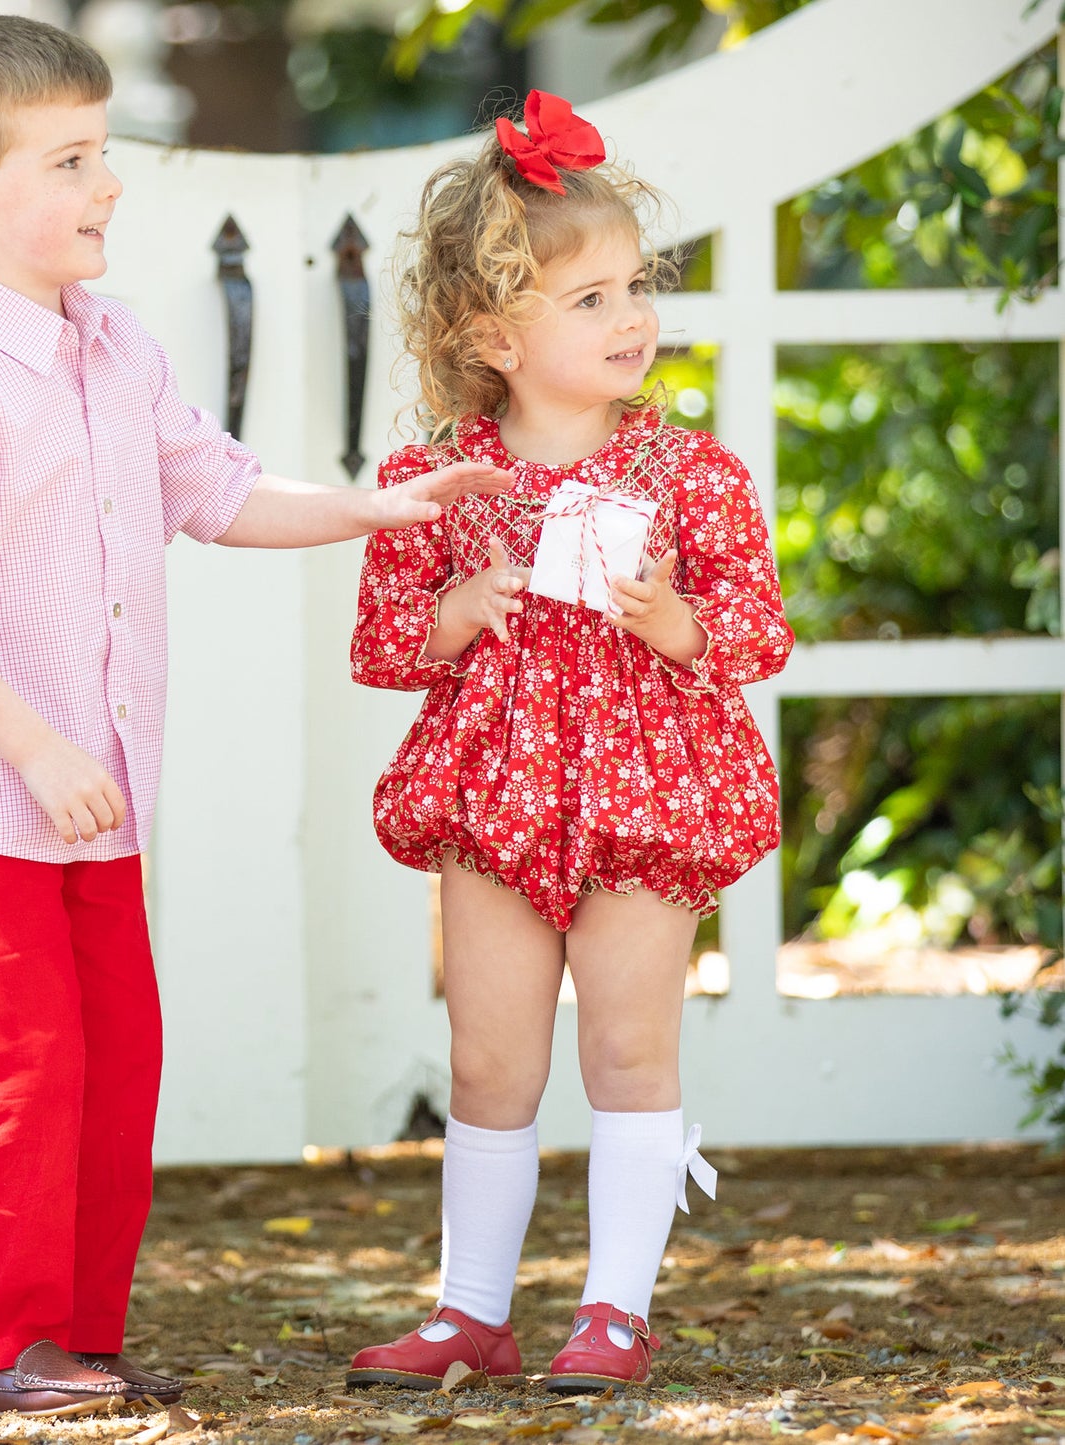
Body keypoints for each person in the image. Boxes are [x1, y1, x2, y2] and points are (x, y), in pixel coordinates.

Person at [0, 13, 512, 1424]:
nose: (108, 185)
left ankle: (77, 1337)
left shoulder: (113, 346)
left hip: (101, 800)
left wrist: (371, 508)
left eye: (103, 153)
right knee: (16, 1076)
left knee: (114, 1068)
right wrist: (31, 742)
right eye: (73, 160)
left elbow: (214, 489)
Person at [346, 91, 794, 1394]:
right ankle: (469, 1309)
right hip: (494, 801)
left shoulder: (691, 474)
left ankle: (611, 1308)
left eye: (634, 286)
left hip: (643, 802)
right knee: (488, 1058)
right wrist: (453, 612)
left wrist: (668, 618)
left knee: (625, 1048)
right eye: (589, 298)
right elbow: (379, 648)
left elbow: (756, 635)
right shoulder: (445, 480)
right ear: (492, 333)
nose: (632, 316)